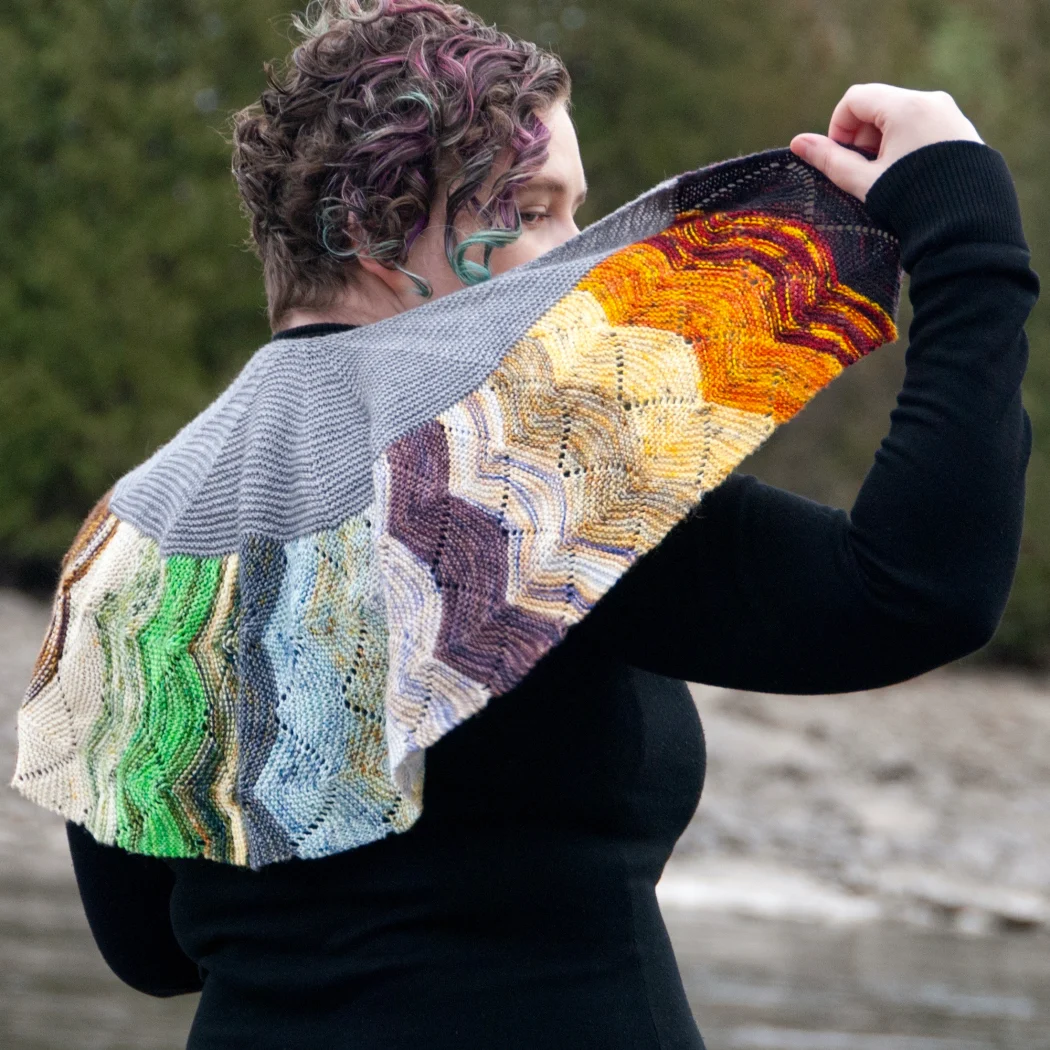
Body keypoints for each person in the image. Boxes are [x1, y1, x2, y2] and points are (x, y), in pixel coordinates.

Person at [62, 1, 1037, 1048]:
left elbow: (150, 949)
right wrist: (967, 230)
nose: (584, 257)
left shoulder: (135, 530)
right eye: (532, 211)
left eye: (579, 211)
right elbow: (917, 588)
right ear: (369, 231)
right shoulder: (516, 468)